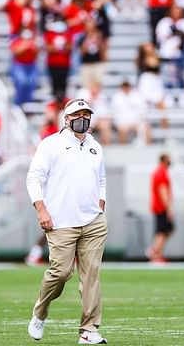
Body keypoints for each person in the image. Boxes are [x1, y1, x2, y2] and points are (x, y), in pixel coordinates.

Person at [26, 99, 108, 344]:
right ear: (66, 118)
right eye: (77, 114)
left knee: (91, 275)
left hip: (93, 221)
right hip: (61, 222)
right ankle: (40, 312)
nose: (82, 118)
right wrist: (41, 210)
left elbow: (101, 179)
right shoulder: (51, 144)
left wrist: (101, 203)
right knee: (61, 273)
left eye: (86, 114)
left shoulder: (96, 147)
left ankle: (88, 330)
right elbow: (34, 178)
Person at [146, 153, 174, 263]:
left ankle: (157, 253)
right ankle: (154, 252)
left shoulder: (159, 172)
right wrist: (169, 209)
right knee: (162, 232)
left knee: (166, 230)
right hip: (161, 208)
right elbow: (163, 193)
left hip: (159, 207)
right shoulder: (161, 173)